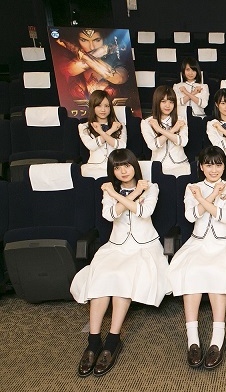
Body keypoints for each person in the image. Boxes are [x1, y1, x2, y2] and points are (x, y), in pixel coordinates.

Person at [70, 148, 169, 377]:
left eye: (127, 165)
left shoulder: (150, 187)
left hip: (144, 246)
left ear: (134, 166)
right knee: (101, 275)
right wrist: (125, 195)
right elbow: (110, 215)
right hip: (116, 246)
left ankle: (113, 340)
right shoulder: (110, 191)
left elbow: (144, 212)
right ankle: (93, 340)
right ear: (112, 171)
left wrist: (122, 195)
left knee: (123, 276)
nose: (123, 171)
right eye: (117, 167)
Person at [167, 146, 226, 369]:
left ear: (224, 166)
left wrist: (201, 199)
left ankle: (217, 338)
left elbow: (224, 216)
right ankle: (192, 339)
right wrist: (210, 196)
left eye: (218, 164)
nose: (214, 169)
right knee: (189, 272)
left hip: (224, 243)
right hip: (198, 242)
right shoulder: (192, 187)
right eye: (209, 165)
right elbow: (190, 216)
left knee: (218, 273)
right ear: (201, 167)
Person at [56, 28, 128, 100]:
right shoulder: (67, 57)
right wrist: (104, 50)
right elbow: (69, 70)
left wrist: (76, 50)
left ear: (104, 39)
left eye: (97, 40)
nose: (92, 47)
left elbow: (118, 78)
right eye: (84, 40)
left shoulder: (115, 60)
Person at [141, 85, 190, 177]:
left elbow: (183, 142)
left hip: (180, 164)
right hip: (158, 166)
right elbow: (153, 146)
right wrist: (174, 130)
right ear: (157, 102)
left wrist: (159, 129)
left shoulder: (180, 120)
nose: (168, 105)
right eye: (163, 101)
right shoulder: (147, 122)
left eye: (171, 102)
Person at [79, 90, 127, 179]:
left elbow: (121, 146)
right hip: (93, 168)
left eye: (107, 106)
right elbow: (91, 146)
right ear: (93, 107)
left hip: (115, 167)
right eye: (99, 105)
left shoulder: (119, 125)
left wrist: (102, 132)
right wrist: (110, 131)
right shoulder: (84, 126)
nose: (103, 110)